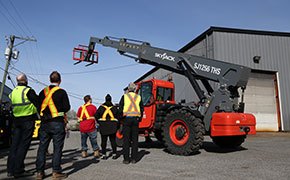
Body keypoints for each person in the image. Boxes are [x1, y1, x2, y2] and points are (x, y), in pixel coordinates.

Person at [35, 71, 70, 180]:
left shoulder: (42, 92)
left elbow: (38, 106)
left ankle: (40, 173)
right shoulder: (62, 92)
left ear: (50, 80)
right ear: (60, 80)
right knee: (57, 148)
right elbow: (66, 107)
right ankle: (56, 172)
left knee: (42, 147)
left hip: (44, 123)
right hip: (57, 123)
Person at [7, 73, 38, 178]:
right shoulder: (28, 91)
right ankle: (19, 170)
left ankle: (10, 170)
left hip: (16, 121)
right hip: (27, 120)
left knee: (14, 145)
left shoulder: (13, 92)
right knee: (23, 145)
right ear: (25, 80)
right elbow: (38, 102)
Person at [119, 82, 143, 164]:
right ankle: (134, 159)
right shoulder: (138, 97)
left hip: (126, 120)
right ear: (135, 89)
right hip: (135, 120)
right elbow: (142, 109)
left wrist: (121, 119)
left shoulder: (124, 97)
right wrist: (139, 119)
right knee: (134, 140)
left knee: (126, 140)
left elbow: (120, 108)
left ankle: (126, 159)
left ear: (128, 89)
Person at [95, 94, 119, 160]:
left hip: (103, 127)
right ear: (111, 99)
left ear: (105, 99)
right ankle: (114, 154)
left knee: (104, 141)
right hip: (112, 127)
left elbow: (96, 116)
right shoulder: (114, 108)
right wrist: (117, 126)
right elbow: (119, 117)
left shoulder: (101, 107)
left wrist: (99, 122)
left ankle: (104, 155)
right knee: (113, 141)